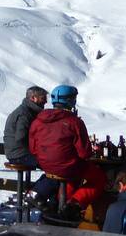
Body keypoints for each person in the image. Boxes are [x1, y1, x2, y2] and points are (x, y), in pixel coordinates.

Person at [28, 84, 105, 216]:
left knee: (69, 175)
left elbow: (33, 148)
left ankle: (56, 203)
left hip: (45, 165)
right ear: (71, 100)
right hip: (68, 167)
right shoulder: (74, 122)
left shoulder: (38, 120)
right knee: (98, 178)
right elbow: (84, 153)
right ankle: (74, 203)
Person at [3, 86, 48, 169]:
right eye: (43, 98)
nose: (46, 101)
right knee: (52, 164)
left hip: (17, 152)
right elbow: (21, 137)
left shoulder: (28, 110)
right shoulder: (24, 114)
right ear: (33, 98)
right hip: (19, 155)